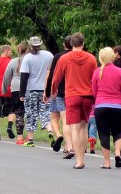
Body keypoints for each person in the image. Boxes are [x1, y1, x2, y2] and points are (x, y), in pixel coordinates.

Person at [50, 32, 98, 168]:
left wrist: (53, 91)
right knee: (83, 127)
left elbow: (56, 77)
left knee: (75, 128)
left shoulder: (65, 58)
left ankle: (79, 160)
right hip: (88, 96)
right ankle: (83, 157)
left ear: (71, 44)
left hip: (71, 96)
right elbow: (95, 78)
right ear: (83, 43)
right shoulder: (91, 58)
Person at [91, 47, 121, 169]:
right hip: (117, 107)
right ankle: (117, 153)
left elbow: (94, 92)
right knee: (117, 132)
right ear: (113, 57)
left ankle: (107, 162)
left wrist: (95, 106)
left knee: (103, 133)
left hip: (101, 106)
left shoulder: (97, 72)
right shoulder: (120, 72)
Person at [19, 36, 54, 147]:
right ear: (40, 44)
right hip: (45, 90)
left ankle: (30, 139)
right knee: (46, 112)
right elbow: (52, 72)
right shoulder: (49, 55)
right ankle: (50, 131)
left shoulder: (27, 58)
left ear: (30, 45)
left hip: (31, 90)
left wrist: (22, 93)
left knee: (31, 114)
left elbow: (24, 76)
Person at [44, 36, 73, 153]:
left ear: (64, 44)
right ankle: (69, 144)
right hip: (74, 92)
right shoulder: (83, 56)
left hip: (58, 91)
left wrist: (47, 92)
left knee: (55, 117)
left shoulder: (58, 57)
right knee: (71, 120)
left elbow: (51, 75)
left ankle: (59, 135)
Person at [2, 41, 28, 144]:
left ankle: (20, 138)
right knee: (28, 113)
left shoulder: (13, 62)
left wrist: (4, 89)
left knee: (18, 113)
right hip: (27, 89)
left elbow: (6, 76)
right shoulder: (30, 60)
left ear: (18, 50)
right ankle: (30, 137)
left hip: (15, 89)